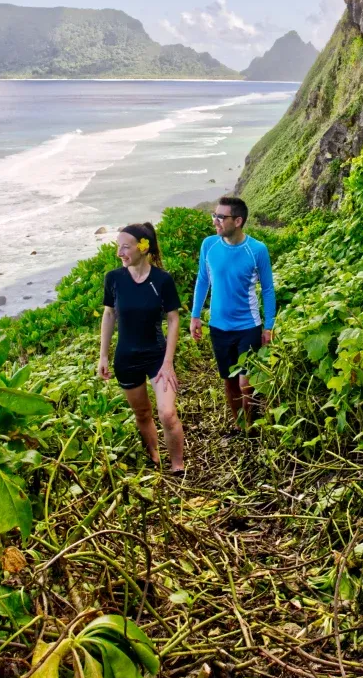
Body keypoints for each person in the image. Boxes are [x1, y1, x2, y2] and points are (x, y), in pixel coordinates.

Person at [98, 222, 185, 473]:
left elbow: (173, 318)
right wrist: (103, 355)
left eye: (125, 247)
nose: (119, 253)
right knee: (143, 415)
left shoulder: (162, 280)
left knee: (167, 413)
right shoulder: (113, 278)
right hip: (126, 359)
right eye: (118, 247)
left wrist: (168, 362)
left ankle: (178, 465)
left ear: (143, 247)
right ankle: (155, 457)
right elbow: (109, 315)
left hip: (157, 356)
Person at [189, 195, 275, 427]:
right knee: (228, 381)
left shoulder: (257, 250)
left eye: (220, 217)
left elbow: (267, 289)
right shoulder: (209, 244)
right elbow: (202, 280)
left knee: (246, 383)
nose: (215, 221)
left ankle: (253, 424)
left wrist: (269, 326)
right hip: (218, 327)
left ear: (237, 221)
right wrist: (195, 315)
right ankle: (240, 426)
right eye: (214, 215)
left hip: (248, 326)